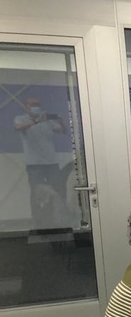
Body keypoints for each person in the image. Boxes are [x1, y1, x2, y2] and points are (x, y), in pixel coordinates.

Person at [14, 97, 67, 227]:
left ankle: (60, 218)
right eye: (33, 105)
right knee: (36, 192)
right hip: (34, 164)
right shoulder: (21, 118)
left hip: (51, 162)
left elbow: (63, 130)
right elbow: (18, 127)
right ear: (26, 107)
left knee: (59, 189)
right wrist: (37, 121)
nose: (36, 107)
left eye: (38, 104)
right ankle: (37, 221)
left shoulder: (47, 121)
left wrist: (61, 120)